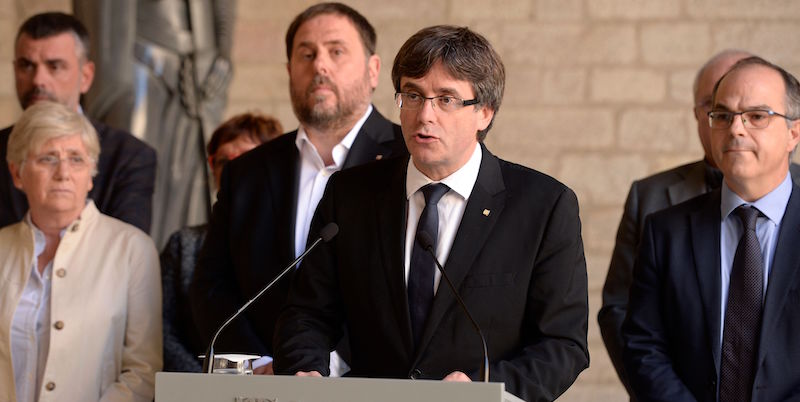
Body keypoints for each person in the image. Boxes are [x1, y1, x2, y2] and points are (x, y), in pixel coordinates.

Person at [273, 25, 589, 402]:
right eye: (413, 94)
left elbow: (562, 344)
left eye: (446, 99)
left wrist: (486, 389)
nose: (425, 115)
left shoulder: (544, 206)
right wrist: (304, 370)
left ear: (484, 112)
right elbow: (306, 313)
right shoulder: (350, 194)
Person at [189, 2, 407, 375]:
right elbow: (212, 285)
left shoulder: (408, 161)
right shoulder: (247, 173)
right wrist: (262, 365)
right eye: (306, 54)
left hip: (374, 383)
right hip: (260, 386)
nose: (320, 65)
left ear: (373, 71)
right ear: (290, 71)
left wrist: (328, 365)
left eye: (336, 51)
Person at [597, 49, 800, 397]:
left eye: (756, 116)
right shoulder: (665, 231)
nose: (736, 128)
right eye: (722, 115)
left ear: (794, 134)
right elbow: (644, 345)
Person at [0, 101, 161, 401]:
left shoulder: (132, 249)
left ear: (90, 175)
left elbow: (142, 372)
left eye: (76, 159)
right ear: (17, 174)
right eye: (47, 158)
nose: (63, 173)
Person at [74, 0, 235, 247]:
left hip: (197, 67)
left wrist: (222, 52)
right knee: (132, 172)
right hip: (136, 56)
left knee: (188, 184)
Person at [0, 12, 156, 233]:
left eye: (54, 66)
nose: (38, 80)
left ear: (86, 76)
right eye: (26, 65)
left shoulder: (130, 156)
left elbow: (123, 254)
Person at [161, 112, 282, 372]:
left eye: (247, 160)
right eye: (223, 161)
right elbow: (164, 331)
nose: (232, 172)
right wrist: (207, 385)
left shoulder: (298, 243)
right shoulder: (184, 245)